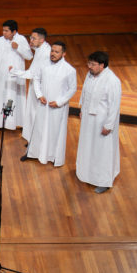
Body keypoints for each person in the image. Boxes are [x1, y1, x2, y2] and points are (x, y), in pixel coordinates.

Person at [21, 41, 77, 167]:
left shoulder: (69, 70)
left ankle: (52, 157)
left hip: (57, 107)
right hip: (43, 103)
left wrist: (59, 102)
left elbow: (72, 89)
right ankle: (32, 153)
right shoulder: (44, 65)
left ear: (64, 54)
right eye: (52, 50)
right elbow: (36, 79)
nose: (53, 54)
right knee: (38, 129)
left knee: (54, 132)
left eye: (57, 52)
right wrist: (39, 94)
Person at [76, 51, 121, 193]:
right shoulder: (91, 75)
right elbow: (85, 92)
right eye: (89, 63)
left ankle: (104, 181)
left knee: (102, 151)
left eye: (93, 64)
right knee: (88, 146)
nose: (89, 67)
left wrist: (109, 125)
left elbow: (114, 105)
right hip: (89, 120)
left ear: (102, 65)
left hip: (102, 122)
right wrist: (82, 107)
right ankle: (86, 173)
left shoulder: (112, 81)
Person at [9, 27, 51, 143]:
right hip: (35, 86)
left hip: (41, 89)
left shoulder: (45, 54)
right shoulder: (40, 50)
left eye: (34, 38)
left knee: (37, 114)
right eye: (30, 37)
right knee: (32, 113)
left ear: (42, 40)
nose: (30, 40)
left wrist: (15, 72)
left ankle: (36, 143)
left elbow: (33, 73)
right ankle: (32, 141)